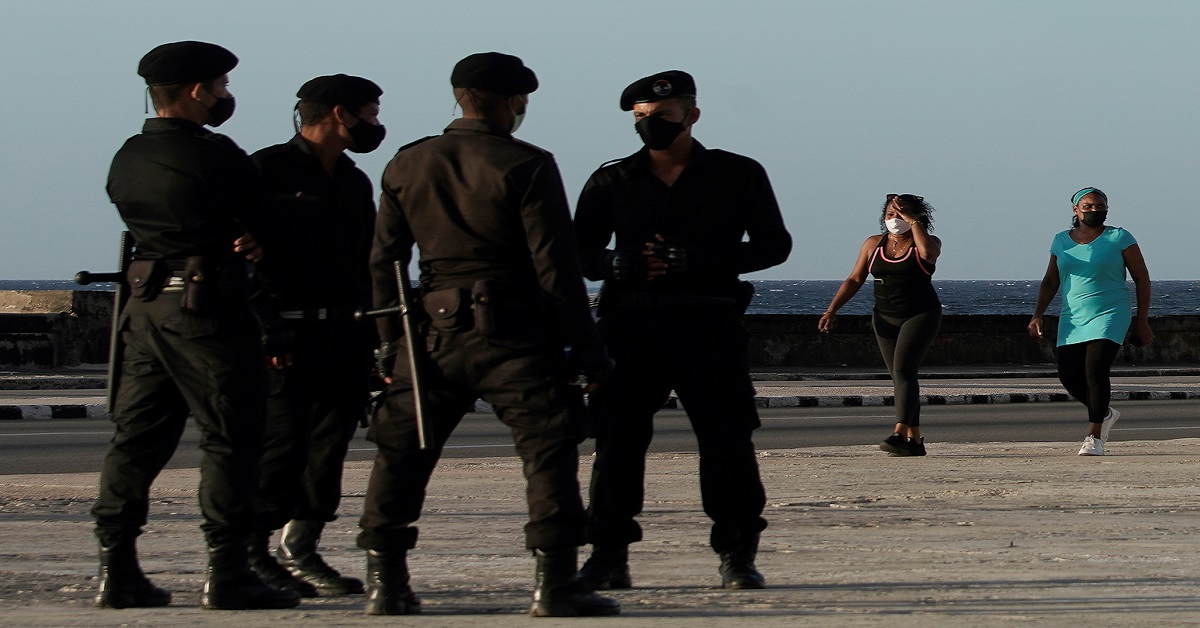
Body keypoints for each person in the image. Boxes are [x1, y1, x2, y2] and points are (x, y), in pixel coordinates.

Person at [357, 52, 619, 618]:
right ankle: (554, 583)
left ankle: (386, 582)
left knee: (402, 452)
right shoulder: (525, 164)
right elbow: (556, 267)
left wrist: (387, 340)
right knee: (548, 451)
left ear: (460, 98)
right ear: (512, 103)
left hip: (428, 333)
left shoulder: (406, 163)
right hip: (514, 334)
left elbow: (383, 262)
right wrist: (588, 348)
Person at [93, 41, 299, 610]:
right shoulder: (215, 153)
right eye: (220, 86)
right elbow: (268, 225)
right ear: (195, 91)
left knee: (135, 439)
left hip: (145, 309)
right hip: (207, 311)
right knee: (231, 438)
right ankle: (227, 570)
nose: (225, 97)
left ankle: (116, 566)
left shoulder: (128, 156)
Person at [573, 70, 792, 591]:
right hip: (629, 328)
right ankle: (608, 554)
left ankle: (737, 553)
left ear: (691, 116)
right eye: (642, 120)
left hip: (708, 324)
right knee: (617, 444)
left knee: (727, 442)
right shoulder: (612, 180)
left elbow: (773, 245)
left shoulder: (738, 174)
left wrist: (699, 258)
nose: (651, 126)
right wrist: (615, 262)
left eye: (663, 118)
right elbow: (577, 253)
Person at [245, 74, 386, 597]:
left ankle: (301, 546)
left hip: (345, 334)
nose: (375, 122)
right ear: (337, 114)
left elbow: (369, 263)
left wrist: (379, 336)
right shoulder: (267, 170)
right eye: (368, 112)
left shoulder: (352, 180)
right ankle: (251, 550)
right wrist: (267, 328)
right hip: (287, 333)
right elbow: (242, 260)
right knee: (281, 447)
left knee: (328, 450)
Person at [1028, 187, 1153, 456]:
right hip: (1073, 316)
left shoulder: (1119, 237)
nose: (1095, 210)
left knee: (1095, 369)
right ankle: (1105, 413)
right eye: (1088, 206)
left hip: (1111, 312)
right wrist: (1037, 313)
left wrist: (1141, 320)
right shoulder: (1061, 240)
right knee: (1069, 375)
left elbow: (1142, 278)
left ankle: (1094, 436)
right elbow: (1051, 280)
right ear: (1075, 210)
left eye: (1101, 206)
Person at [819, 194, 942, 457]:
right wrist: (832, 309)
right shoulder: (873, 244)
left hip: (920, 314)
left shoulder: (927, 242)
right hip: (885, 316)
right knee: (900, 377)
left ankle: (899, 433)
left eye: (900, 214)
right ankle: (915, 441)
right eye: (890, 214)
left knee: (904, 370)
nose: (894, 219)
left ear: (916, 216)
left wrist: (913, 221)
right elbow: (855, 279)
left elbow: (928, 254)